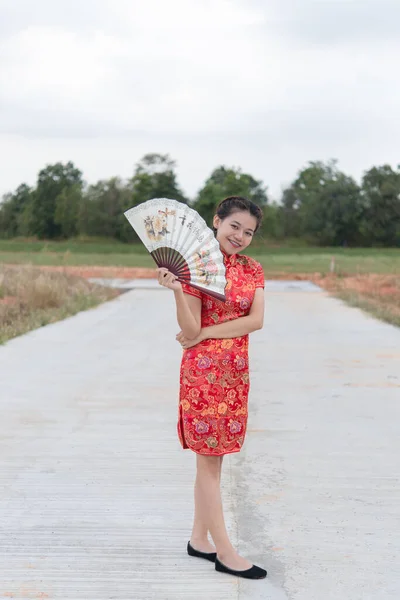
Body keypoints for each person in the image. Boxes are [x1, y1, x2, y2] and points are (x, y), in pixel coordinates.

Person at [157, 196, 267, 580]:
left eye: (248, 231)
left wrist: (206, 332)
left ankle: (198, 539)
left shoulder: (253, 270)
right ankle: (225, 551)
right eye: (234, 226)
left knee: (214, 462)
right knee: (208, 462)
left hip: (235, 375)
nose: (240, 236)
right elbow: (188, 331)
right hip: (203, 377)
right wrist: (176, 290)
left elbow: (255, 321)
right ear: (216, 221)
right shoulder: (194, 267)